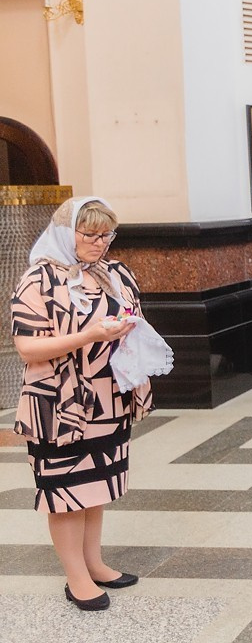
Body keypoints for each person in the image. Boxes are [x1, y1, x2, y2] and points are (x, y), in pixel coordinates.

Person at [11, 197, 153, 611]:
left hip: (108, 397)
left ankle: (95, 563)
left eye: (107, 234)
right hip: (58, 403)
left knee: (96, 485)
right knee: (66, 490)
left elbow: (130, 315)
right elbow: (27, 348)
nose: (101, 243)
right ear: (64, 232)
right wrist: (89, 335)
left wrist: (129, 328)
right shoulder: (38, 280)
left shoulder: (113, 273)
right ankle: (76, 578)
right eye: (90, 234)